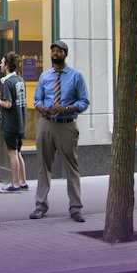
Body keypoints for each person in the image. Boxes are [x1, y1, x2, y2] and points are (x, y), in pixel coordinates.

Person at [31, 40, 89, 223]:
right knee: (43, 166)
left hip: (66, 125)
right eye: (53, 51)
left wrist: (66, 108)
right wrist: (40, 107)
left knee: (71, 168)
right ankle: (40, 205)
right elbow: (37, 99)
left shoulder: (76, 76)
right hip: (46, 124)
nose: (55, 53)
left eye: (58, 51)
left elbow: (84, 102)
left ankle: (76, 208)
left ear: (65, 54)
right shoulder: (44, 76)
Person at [0, 52, 28, 193]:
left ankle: (15, 183)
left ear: (7, 66)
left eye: (2, 62)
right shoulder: (20, 80)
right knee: (18, 152)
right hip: (20, 121)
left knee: (12, 153)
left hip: (11, 122)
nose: (0, 65)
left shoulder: (8, 82)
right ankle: (23, 181)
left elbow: (8, 104)